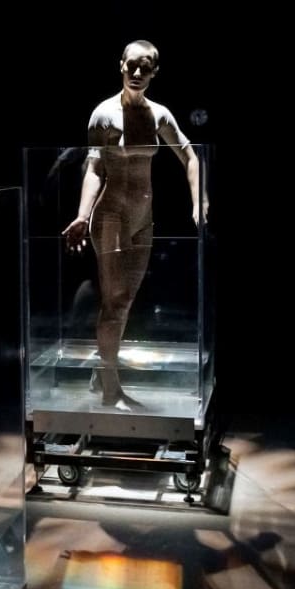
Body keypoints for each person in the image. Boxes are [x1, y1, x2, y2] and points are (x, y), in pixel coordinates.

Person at [62, 40, 208, 411]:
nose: (137, 73)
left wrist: (199, 200)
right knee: (113, 301)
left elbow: (190, 156)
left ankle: (102, 372)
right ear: (121, 66)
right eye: (132, 66)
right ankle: (111, 390)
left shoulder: (159, 115)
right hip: (111, 214)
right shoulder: (104, 114)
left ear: (155, 71)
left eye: (145, 67)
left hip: (144, 217)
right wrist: (82, 214)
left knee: (124, 301)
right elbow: (94, 167)